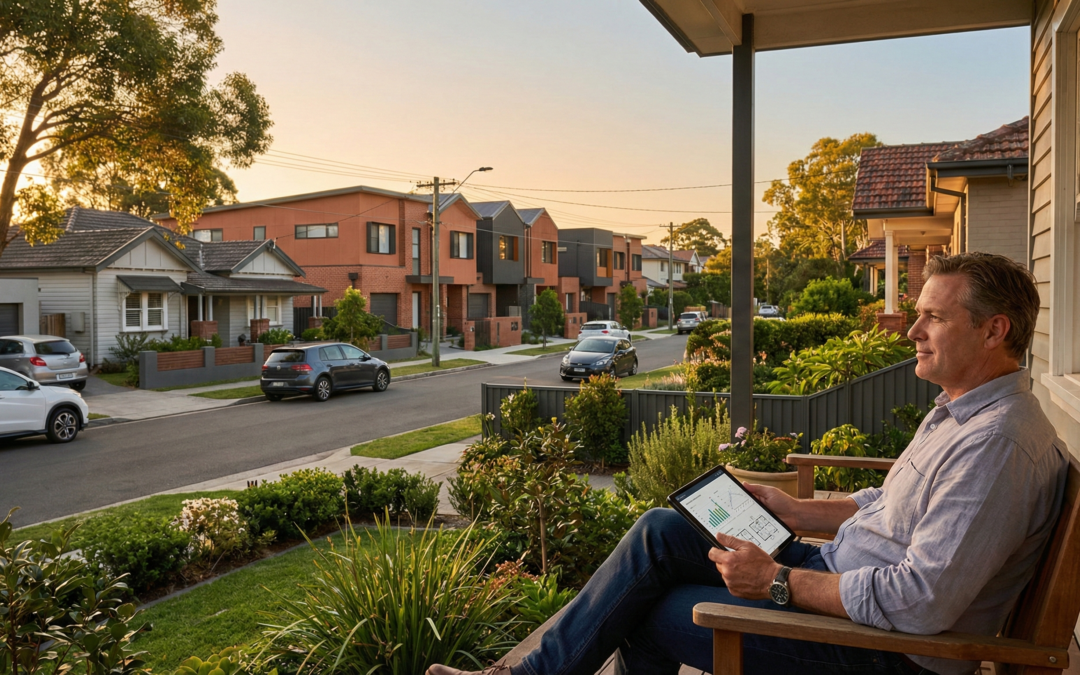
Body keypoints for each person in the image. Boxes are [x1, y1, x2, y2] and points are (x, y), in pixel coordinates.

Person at [428, 252, 1068, 675]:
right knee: (662, 529)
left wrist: (776, 583)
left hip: (886, 649)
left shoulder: (997, 444)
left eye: (933, 317)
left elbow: (921, 604)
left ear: (994, 331)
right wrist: (793, 509)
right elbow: (885, 505)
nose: (911, 331)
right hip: (841, 576)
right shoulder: (961, 410)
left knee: (650, 610)